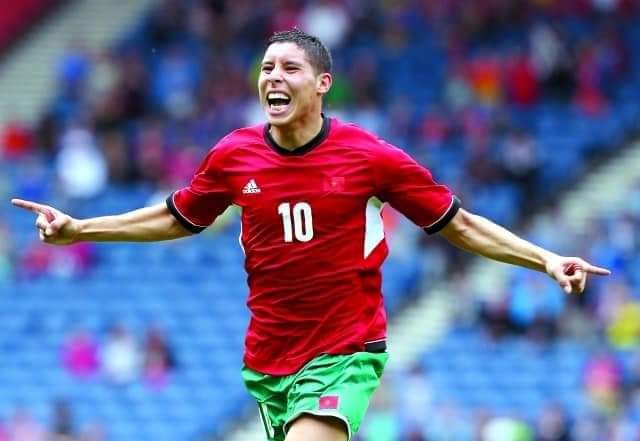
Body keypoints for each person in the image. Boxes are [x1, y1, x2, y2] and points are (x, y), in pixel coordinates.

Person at [11, 29, 610, 441]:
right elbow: (178, 216)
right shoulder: (234, 155)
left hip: (344, 352)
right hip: (269, 358)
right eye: (267, 68)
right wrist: (81, 229)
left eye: (290, 68)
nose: (274, 77)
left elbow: (460, 223)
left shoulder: (370, 158)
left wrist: (545, 259)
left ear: (322, 84)